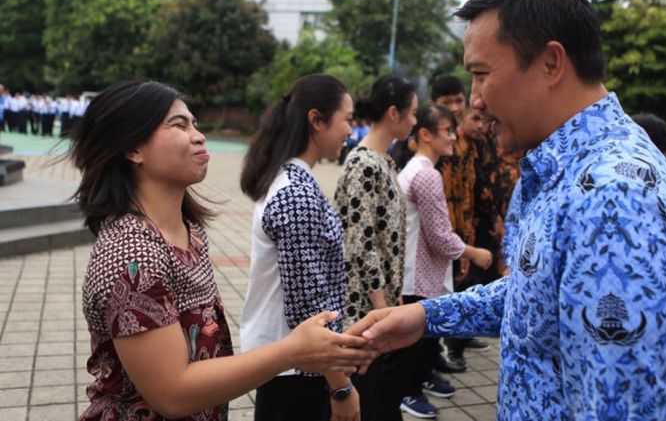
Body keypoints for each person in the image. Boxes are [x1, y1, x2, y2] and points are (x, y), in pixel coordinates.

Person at [348, 0, 666, 420]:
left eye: (480, 74)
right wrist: (425, 317)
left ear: (551, 64)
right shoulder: (575, 172)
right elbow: (539, 295)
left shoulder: (612, 202)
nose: (473, 100)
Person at [72, 80, 372, 421]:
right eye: (179, 125)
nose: (198, 135)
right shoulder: (133, 256)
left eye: (195, 123)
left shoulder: (188, 231)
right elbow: (172, 394)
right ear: (133, 149)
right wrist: (291, 352)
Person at [239, 73, 362, 421]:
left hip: (296, 363)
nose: (350, 131)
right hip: (297, 369)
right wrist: (340, 386)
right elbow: (307, 304)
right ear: (316, 120)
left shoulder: (292, 183)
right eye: (347, 120)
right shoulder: (296, 194)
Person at [395, 104, 492, 418]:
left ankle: (416, 383)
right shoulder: (426, 175)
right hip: (418, 272)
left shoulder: (416, 169)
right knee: (415, 341)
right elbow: (439, 236)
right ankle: (408, 392)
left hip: (417, 269)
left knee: (421, 340)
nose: (452, 137)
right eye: (446, 131)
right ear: (425, 135)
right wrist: (474, 252)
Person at [334, 75, 417, 421]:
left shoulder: (386, 161)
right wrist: (382, 308)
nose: (415, 121)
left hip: (378, 304)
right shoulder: (363, 164)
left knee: (379, 397)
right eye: (412, 113)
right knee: (365, 399)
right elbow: (361, 242)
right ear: (394, 113)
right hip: (363, 311)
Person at [431, 74, 494, 370]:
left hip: (460, 231)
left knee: (455, 290)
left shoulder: (466, 143)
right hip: (435, 234)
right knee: (431, 297)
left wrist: (467, 237)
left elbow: (467, 193)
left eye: (459, 100)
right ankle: (432, 362)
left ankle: (442, 353)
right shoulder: (429, 142)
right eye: (447, 102)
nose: (456, 107)